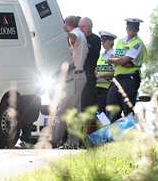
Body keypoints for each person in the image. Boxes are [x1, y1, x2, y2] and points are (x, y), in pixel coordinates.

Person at [50, 15, 88, 148]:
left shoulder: (76, 34)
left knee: (62, 109)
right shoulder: (82, 35)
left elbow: (73, 38)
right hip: (80, 75)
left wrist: (66, 33)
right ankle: (74, 142)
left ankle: (54, 140)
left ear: (67, 24)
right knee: (75, 111)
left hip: (74, 77)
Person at [106, 18, 148, 122]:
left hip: (130, 78)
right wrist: (116, 60)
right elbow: (112, 56)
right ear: (126, 29)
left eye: (134, 30)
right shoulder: (121, 41)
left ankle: (129, 135)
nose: (131, 32)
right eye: (129, 29)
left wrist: (116, 60)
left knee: (127, 109)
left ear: (137, 30)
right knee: (112, 107)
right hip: (117, 78)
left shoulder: (138, 43)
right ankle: (114, 135)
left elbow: (124, 60)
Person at [79, 17, 101, 112]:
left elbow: (86, 51)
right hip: (78, 75)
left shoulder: (95, 39)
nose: (81, 29)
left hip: (89, 75)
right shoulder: (79, 39)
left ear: (91, 27)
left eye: (83, 26)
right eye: (79, 27)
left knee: (88, 102)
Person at [95, 31, 117, 116]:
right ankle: (103, 126)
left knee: (110, 112)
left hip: (110, 87)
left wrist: (103, 75)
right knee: (100, 112)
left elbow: (117, 72)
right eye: (102, 41)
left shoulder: (115, 55)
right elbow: (96, 68)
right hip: (99, 87)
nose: (103, 43)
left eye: (105, 41)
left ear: (111, 41)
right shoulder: (100, 55)